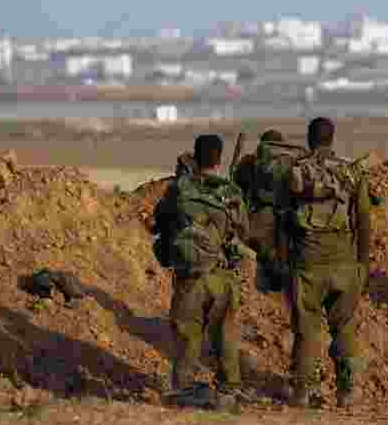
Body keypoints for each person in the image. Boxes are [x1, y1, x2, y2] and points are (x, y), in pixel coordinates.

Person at [274, 117, 371, 408]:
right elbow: (363, 220)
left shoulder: (296, 172)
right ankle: (347, 390)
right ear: (332, 138)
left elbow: (281, 220)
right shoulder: (351, 172)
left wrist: (283, 259)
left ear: (309, 138)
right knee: (344, 325)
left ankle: (303, 390)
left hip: (307, 260)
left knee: (307, 327)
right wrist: (362, 262)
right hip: (344, 261)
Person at [151, 134, 252, 409]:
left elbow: (159, 223)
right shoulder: (231, 192)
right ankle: (228, 390)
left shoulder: (179, 190)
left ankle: (184, 389)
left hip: (191, 277)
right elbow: (244, 231)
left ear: (195, 157)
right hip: (222, 276)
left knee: (187, 334)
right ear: (219, 160)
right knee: (226, 333)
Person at [232, 129, 305, 292]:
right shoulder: (294, 162)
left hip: (261, 220)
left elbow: (238, 190)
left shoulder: (250, 162)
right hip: (290, 220)